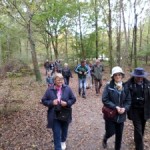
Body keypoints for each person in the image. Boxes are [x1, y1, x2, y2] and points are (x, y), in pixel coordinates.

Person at [41, 73, 76, 150]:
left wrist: (67, 103)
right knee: (56, 134)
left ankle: (63, 141)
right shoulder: (49, 89)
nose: (61, 81)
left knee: (64, 131)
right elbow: (43, 100)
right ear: (54, 81)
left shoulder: (67, 88)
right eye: (58, 79)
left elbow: (73, 99)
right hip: (54, 115)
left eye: (62, 79)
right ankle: (58, 147)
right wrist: (51, 102)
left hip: (65, 113)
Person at [102, 66, 131, 150]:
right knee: (110, 132)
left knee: (119, 136)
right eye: (115, 75)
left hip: (121, 116)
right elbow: (105, 99)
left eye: (119, 75)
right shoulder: (109, 86)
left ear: (122, 76)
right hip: (110, 115)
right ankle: (105, 138)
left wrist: (125, 108)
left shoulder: (125, 87)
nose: (118, 76)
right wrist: (115, 107)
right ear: (113, 76)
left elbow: (128, 101)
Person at [126, 67, 150, 150]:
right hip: (134, 110)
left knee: (142, 128)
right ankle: (139, 147)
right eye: (138, 77)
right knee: (138, 129)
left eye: (141, 77)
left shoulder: (148, 84)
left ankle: (137, 140)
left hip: (145, 110)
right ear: (134, 76)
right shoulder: (128, 84)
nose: (140, 78)